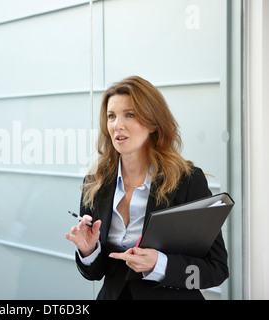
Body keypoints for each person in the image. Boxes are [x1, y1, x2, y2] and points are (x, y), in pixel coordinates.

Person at [65, 76, 229, 300]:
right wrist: (88, 251)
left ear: (153, 123)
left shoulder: (187, 181)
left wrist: (160, 265)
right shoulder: (95, 184)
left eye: (129, 115)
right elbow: (95, 273)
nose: (117, 125)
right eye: (111, 116)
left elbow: (216, 269)